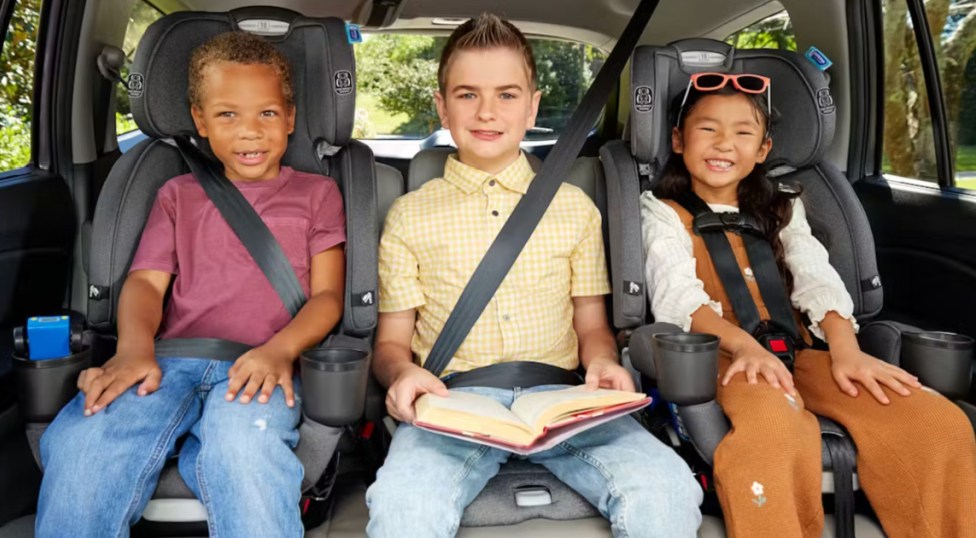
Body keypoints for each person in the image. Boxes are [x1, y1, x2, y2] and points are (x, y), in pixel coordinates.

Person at [365, 13, 703, 538]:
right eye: (466, 94)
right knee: (401, 507)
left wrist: (605, 363)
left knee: (669, 489)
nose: (486, 112)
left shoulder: (574, 209)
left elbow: (591, 325)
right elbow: (391, 343)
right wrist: (400, 374)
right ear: (441, 105)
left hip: (564, 399)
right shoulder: (410, 214)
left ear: (533, 106)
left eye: (506, 94)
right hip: (455, 404)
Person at [36, 31, 346, 537]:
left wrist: (280, 350)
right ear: (200, 121)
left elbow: (329, 297)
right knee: (86, 442)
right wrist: (134, 349)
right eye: (227, 115)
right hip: (167, 359)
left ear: (290, 118)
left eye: (267, 114)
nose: (250, 132)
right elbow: (144, 284)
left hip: (261, 363)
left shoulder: (318, 194)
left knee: (244, 447)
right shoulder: (177, 194)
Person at [641, 72, 976, 537]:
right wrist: (745, 349)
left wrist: (846, 350)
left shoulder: (783, 207)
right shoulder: (661, 212)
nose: (724, 144)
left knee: (937, 423)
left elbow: (816, 277)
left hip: (801, 353)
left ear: (763, 149)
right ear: (678, 139)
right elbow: (679, 298)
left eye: (743, 132)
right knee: (775, 427)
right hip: (720, 361)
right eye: (707, 128)